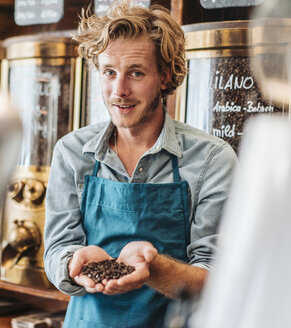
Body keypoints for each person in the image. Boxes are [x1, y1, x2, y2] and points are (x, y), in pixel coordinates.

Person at [43, 1, 238, 327]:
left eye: (135, 72)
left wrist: (155, 267)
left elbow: (219, 280)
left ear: (165, 75)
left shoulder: (211, 160)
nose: (119, 90)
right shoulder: (72, 152)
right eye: (109, 72)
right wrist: (73, 264)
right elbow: (58, 249)